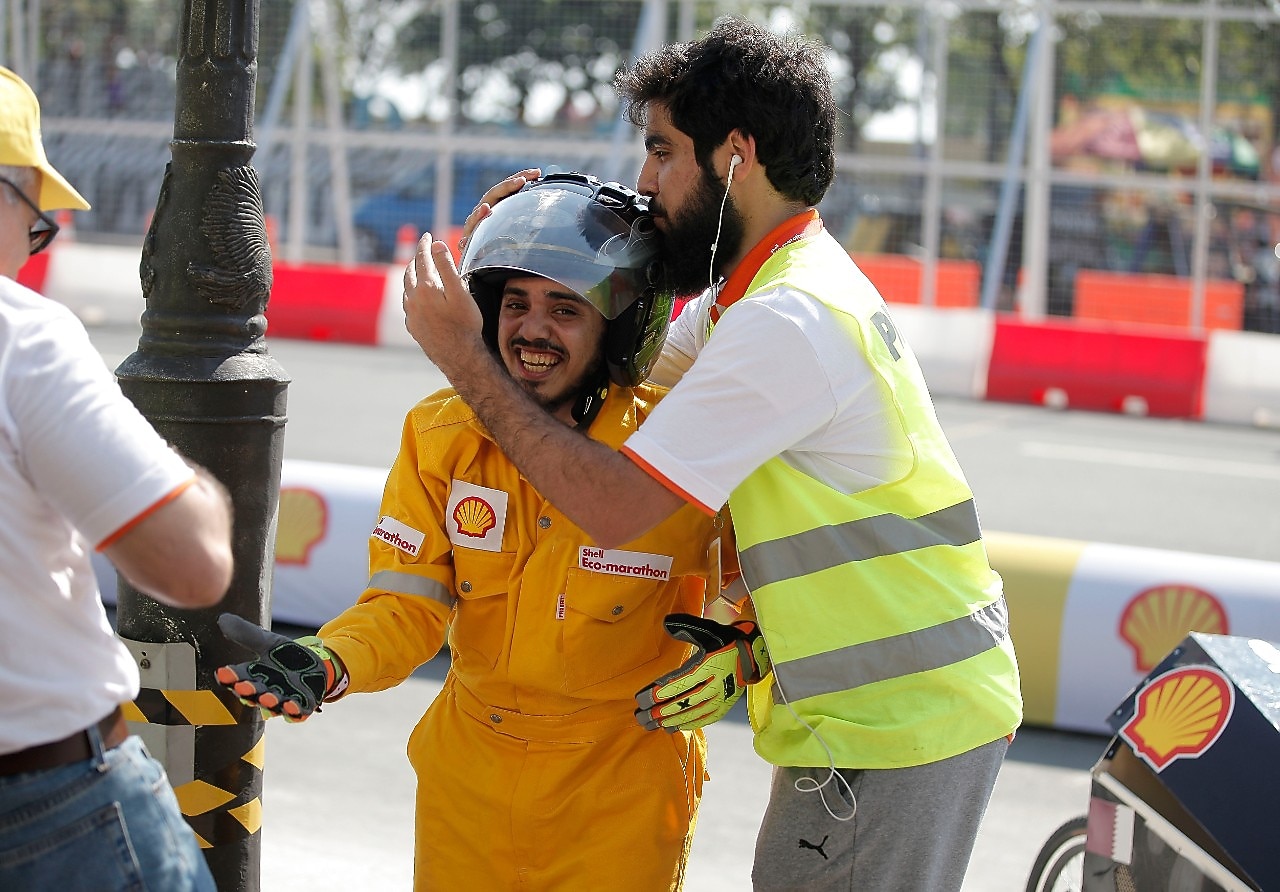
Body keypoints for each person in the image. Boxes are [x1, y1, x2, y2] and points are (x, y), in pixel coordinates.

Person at [401, 20, 1023, 892]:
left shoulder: (786, 321)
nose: (645, 182)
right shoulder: (762, 295)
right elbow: (592, 356)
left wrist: (464, 358)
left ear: (735, 155)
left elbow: (614, 503)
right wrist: (508, 257)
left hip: (895, 720)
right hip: (879, 713)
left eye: (661, 151)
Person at [216, 173, 731, 891]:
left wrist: (744, 652)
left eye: (565, 308)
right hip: (469, 780)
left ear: (619, 326)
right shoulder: (439, 433)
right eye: (514, 303)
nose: (532, 329)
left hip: (622, 788)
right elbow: (403, 606)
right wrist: (328, 660)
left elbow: (750, 587)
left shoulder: (677, 444)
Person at [0, 66, 235, 890]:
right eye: (37, 226)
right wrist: (190, 482)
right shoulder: (19, 337)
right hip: (49, 809)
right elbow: (191, 563)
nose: (31, 254)